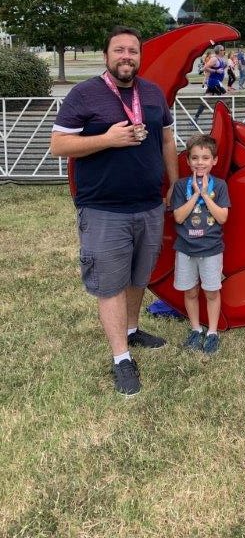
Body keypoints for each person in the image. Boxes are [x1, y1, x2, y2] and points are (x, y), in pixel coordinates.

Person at [50, 25, 178, 396]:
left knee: (139, 276)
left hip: (149, 205)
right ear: (106, 55)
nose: (127, 56)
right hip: (104, 208)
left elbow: (167, 138)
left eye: (133, 51)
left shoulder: (152, 94)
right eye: (119, 50)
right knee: (110, 283)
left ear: (140, 56)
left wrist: (173, 182)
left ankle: (133, 330)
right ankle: (121, 358)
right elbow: (58, 145)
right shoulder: (84, 94)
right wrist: (109, 139)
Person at [172, 134, 230, 354]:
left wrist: (205, 195)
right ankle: (196, 329)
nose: (200, 162)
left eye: (205, 158)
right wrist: (194, 195)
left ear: (214, 160)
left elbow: (222, 217)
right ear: (187, 161)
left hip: (211, 249)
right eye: (195, 158)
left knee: (212, 292)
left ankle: (212, 332)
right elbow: (178, 217)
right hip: (185, 249)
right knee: (190, 292)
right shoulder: (180, 186)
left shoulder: (221, 186)